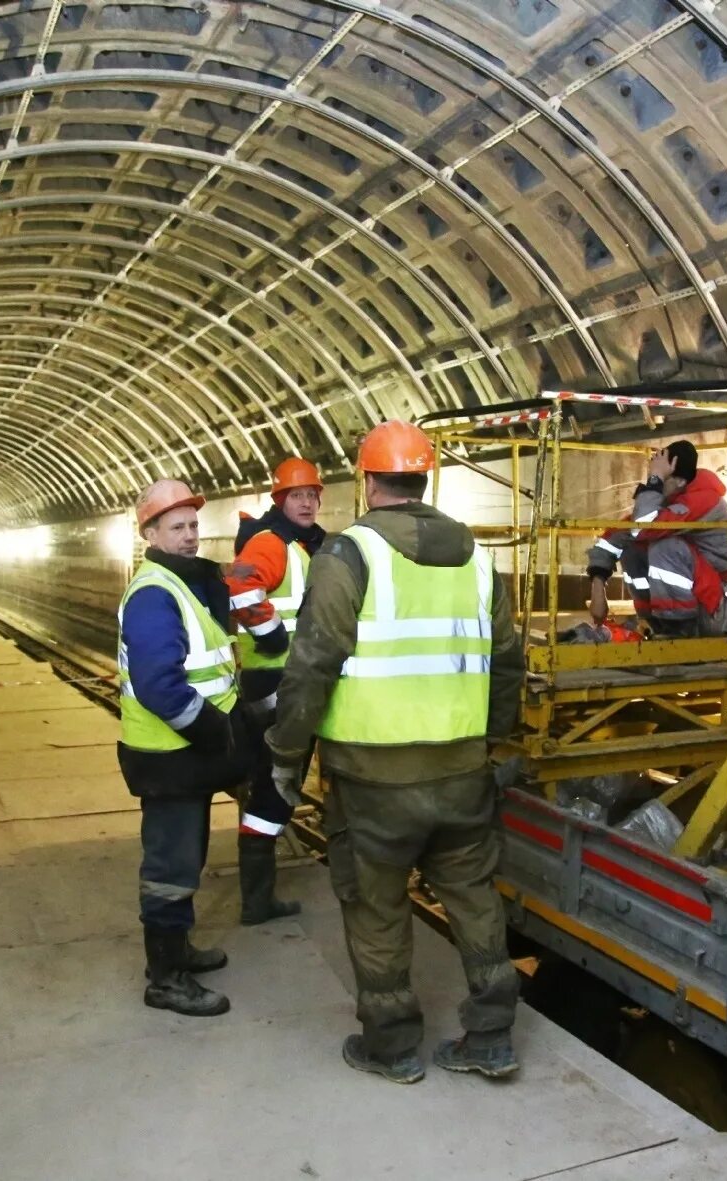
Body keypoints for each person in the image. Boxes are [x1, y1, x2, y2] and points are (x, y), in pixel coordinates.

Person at [268, 420, 526, 1085]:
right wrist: (492, 739)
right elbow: (506, 661)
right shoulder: (477, 556)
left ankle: (393, 1047)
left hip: (372, 780)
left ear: (367, 480)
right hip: (464, 771)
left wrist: (286, 755)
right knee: (474, 899)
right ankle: (492, 1036)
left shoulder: (348, 555)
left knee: (377, 909)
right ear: (425, 479)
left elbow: (312, 664)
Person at [116, 478, 254, 1017]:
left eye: (194, 526)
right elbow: (158, 686)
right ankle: (165, 979)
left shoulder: (182, 583)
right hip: (169, 755)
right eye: (177, 527)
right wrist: (215, 731)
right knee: (170, 866)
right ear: (150, 533)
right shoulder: (154, 594)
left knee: (187, 856)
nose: (191, 536)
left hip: (183, 757)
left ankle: (178, 952)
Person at [224, 457, 327, 925]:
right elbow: (241, 585)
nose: (307, 502)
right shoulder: (272, 543)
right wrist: (272, 636)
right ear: (280, 500)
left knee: (275, 785)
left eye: (312, 495)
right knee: (275, 787)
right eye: (297, 495)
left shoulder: (300, 544)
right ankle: (257, 900)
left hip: (287, 683)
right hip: (275, 684)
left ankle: (257, 897)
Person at [585, 440, 727, 637]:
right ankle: (653, 622)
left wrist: (656, 480)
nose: (656, 484)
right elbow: (622, 532)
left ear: (680, 481)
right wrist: (598, 583)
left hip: (717, 610)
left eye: (663, 478)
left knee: (665, 547)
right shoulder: (673, 497)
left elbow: (644, 528)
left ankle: (677, 629)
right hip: (699, 602)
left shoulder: (704, 500)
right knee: (632, 550)